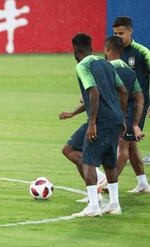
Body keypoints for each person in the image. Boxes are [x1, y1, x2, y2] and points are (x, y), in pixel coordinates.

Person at [71, 33, 128, 217]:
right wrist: (122, 117)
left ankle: (94, 206)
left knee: (88, 161)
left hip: (101, 121)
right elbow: (123, 91)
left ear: (76, 50)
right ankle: (114, 204)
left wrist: (93, 122)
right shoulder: (106, 64)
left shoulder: (82, 66)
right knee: (110, 163)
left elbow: (93, 91)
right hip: (115, 119)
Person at [113, 16, 150, 192]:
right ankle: (143, 183)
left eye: (121, 33)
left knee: (123, 143)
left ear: (130, 31)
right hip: (120, 105)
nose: (118, 36)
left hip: (137, 105)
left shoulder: (142, 52)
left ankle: (107, 184)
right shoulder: (115, 51)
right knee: (131, 143)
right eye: (115, 33)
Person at [104, 35, 146, 182]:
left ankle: (108, 184)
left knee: (122, 148)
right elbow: (140, 97)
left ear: (107, 49)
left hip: (114, 114)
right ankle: (143, 183)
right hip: (128, 113)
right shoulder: (129, 71)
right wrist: (135, 123)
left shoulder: (106, 68)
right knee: (130, 146)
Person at [59, 100, 106, 203]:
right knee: (75, 152)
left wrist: (92, 122)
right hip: (100, 121)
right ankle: (94, 193)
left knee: (68, 150)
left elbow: (94, 98)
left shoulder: (91, 83)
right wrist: (72, 113)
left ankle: (99, 178)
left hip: (96, 123)